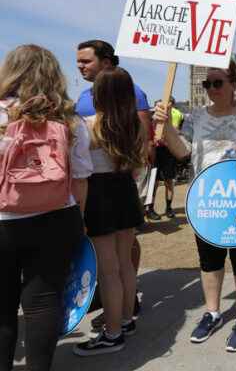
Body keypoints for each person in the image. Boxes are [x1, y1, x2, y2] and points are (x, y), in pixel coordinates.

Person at [154, 60, 236, 352]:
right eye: (207, 84)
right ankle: (213, 312)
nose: (211, 89)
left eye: (218, 83)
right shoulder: (196, 116)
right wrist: (167, 126)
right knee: (209, 259)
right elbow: (182, 151)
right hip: (207, 199)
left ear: (233, 83)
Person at [0, 45, 92, 371]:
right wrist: (78, 219)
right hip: (56, 216)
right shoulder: (70, 120)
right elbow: (81, 178)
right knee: (42, 302)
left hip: (3, 220)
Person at [74, 40, 150, 318]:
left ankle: (113, 329)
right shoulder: (131, 124)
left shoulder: (89, 125)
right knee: (125, 265)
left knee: (108, 270)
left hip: (100, 192)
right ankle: (127, 318)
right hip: (125, 189)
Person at [148, 97, 183, 219]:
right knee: (153, 181)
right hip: (155, 151)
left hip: (168, 150)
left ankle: (168, 208)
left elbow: (177, 131)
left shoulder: (175, 114)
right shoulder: (150, 116)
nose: (161, 108)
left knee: (169, 180)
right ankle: (150, 209)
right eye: (158, 106)